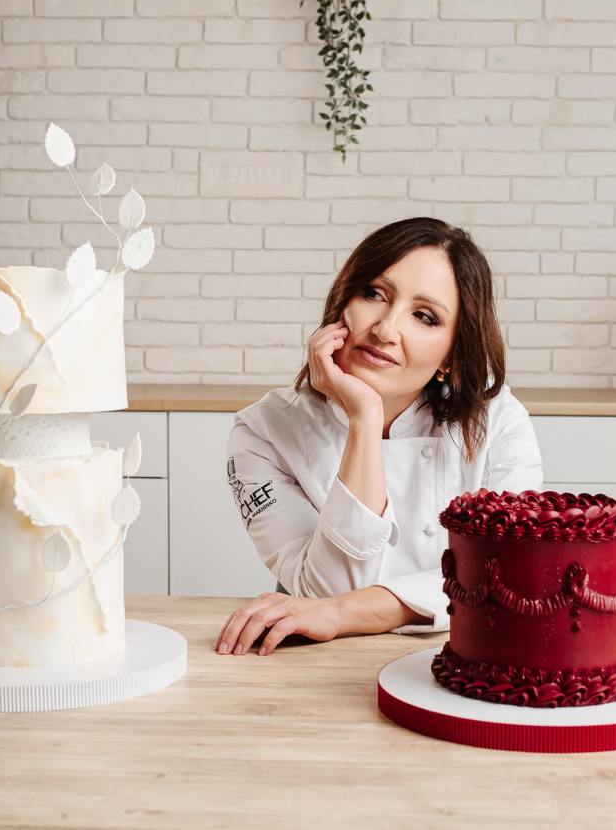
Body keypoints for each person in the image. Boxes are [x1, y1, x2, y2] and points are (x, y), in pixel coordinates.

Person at [214, 217, 543, 656]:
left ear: (450, 356)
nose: (386, 330)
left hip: (461, 655)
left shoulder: (498, 424)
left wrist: (343, 613)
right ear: (341, 303)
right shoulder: (264, 433)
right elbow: (326, 589)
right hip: (312, 665)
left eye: (424, 316)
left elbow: (503, 574)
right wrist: (364, 420)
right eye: (374, 294)